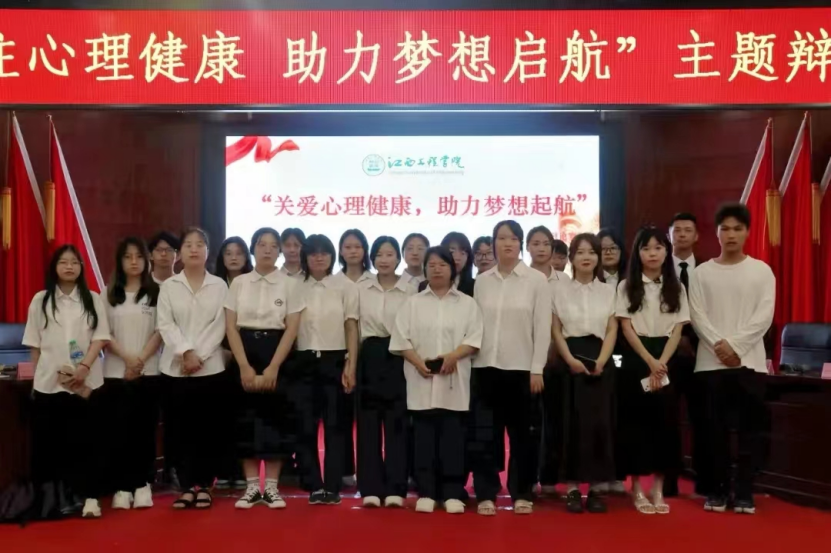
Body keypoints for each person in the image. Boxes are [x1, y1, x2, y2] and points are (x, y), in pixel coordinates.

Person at [689, 203, 774, 515]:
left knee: (751, 432)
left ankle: (745, 492)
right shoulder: (701, 273)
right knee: (714, 433)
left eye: (738, 228)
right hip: (710, 365)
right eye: (725, 228)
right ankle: (718, 490)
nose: (731, 234)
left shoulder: (761, 271)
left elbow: (764, 316)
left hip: (749, 363)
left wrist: (735, 346)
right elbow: (696, 316)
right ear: (716, 233)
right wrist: (719, 346)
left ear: (748, 232)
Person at [390, 246, 483, 514]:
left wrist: (453, 356)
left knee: (453, 439)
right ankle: (427, 492)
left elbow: (474, 338)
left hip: (455, 380)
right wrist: (418, 362)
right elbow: (400, 339)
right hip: (421, 379)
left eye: (442, 264)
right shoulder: (413, 303)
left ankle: (452, 492)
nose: (436, 269)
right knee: (423, 439)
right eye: (431, 265)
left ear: (452, 269)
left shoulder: (467, 303)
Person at [23, 245, 111, 518]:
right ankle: (55, 500)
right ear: (54, 268)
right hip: (50, 383)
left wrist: (84, 367)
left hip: (86, 381)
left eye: (74, 262)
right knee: (50, 444)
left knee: (87, 441)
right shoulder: (41, 300)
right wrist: (37, 377)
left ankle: (90, 497)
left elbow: (100, 337)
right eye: (63, 262)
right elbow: (34, 343)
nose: (70, 266)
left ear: (81, 267)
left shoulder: (92, 298)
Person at [471, 220, 551, 516]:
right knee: (485, 434)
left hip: (522, 370)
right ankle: (486, 492)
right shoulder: (482, 281)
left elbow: (542, 327)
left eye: (513, 238)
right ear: (493, 243)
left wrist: (537, 368)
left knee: (523, 436)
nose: (507, 243)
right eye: (501, 238)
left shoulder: (536, 281)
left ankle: (522, 491)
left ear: (521, 244)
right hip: (485, 367)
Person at [225, 227, 304, 510]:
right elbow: (230, 327)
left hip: (277, 351)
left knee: (276, 420)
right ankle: (250, 488)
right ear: (253, 249)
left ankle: (271, 487)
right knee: (245, 420)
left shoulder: (290, 284)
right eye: (262, 244)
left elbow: (292, 328)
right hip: (244, 351)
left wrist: (273, 367)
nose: (267, 249)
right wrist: (243, 366)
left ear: (279, 251)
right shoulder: (239, 283)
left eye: (273, 245)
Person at [615, 227, 689, 515]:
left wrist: (662, 363)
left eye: (658, 248)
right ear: (638, 253)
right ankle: (636, 488)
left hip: (667, 357)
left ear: (666, 251)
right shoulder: (626, 286)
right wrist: (649, 361)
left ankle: (658, 488)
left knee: (665, 423)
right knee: (636, 423)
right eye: (646, 248)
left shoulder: (676, 286)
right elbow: (626, 327)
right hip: (637, 356)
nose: (653, 254)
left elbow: (678, 328)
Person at [157, 227, 228, 510]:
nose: (194, 249)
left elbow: (220, 324)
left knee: (208, 429)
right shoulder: (169, 286)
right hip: (175, 370)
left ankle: (205, 485)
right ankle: (186, 486)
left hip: (210, 369)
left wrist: (199, 355)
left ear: (208, 251)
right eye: (188, 245)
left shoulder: (219, 286)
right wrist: (185, 352)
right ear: (180, 253)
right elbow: (165, 324)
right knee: (179, 429)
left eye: (200, 244)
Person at [551, 233, 617, 514]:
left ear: (598, 257)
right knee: (571, 423)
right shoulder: (559, 290)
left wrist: (602, 360)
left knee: (600, 424)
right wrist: (569, 359)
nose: (586, 257)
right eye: (580, 252)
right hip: (569, 358)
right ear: (572, 258)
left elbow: (612, 329)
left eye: (591, 252)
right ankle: (573, 488)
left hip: (600, 358)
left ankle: (598, 488)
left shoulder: (609, 291)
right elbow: (556, 329)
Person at [291, 234, 359, 505]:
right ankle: (313, 485)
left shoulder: (345, 286)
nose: (319, 258)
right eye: (313, 253)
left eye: (324, 253)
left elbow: (351, 327)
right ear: (305, 257)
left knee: (335, 425)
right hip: (303, 361)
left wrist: (351, 363)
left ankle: (332, 485)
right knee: (305, 425)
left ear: (333, 256)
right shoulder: (294, 286)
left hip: (335, 360)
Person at [101, 238, 162, 511]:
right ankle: (122, 486)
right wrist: (127, 359)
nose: (134, 262)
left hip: (149, 371)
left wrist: (139, 361)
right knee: (118, 431)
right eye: (128, 256)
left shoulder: (156, 292)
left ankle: (143, 483)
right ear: (120, 261)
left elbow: (160, 330)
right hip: (115, 372)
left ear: (147, 260)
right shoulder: (107, 293)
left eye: (139, 256)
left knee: (144, 430)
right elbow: (103, 333)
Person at [356, 236, 416, 508]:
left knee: (397, 423)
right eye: (379, 254)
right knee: (368, 423)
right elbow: (353, 326)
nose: (384, 259)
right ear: (372, 258)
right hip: (369, 353)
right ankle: (370, 486)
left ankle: (396, 487)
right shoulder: (361, 288)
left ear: (398, 258)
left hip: (399, 355)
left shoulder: (411, 289)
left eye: (389, 254)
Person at [665, 211, 707, 497]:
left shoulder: (707, 270)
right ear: (669, 235)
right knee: (667, 418)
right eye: (676, 230)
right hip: (666, 355)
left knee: (702, 417)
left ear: (696, 236)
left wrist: (695, 339)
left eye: (687, 230)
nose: (681, 234)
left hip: (702, 352)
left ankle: (704, 478)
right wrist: (676, 338)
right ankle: (669, 479)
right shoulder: (657, 267)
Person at [526, 226, 568, 496]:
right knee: (529, 423)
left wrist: (557, 348)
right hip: (526, 358)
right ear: (527, 247)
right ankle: (528, 477)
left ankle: (550, 477)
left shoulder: (564, 281)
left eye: (545, 243)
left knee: (555, 420)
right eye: (535, 243)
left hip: (557, 358)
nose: (541, 248)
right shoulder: (521, 278)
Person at [214, 236, 253, 492]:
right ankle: (223, 469)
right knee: (221, 417)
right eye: (228, 253)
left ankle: (241, 471)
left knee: (243, 416)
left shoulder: (253, 284)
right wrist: (220, 349)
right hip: (216, 356)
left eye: (239, 253)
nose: (234, 257)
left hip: (246, 356)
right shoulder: (214, 284)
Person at [334, 228, 371, 486]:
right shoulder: (333, 281)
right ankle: (345, 469)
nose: (353, 251)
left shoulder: (375, 280)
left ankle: (370, 470)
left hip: (370, 354)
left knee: (368, 416)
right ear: (340, 251)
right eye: (347, 247)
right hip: (340, 353)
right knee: (341, 414)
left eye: (357, 246)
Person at [417, 232, 475, 296]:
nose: (457, 257)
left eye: (463, 253)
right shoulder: (424, 286)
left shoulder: (474, 285)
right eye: (452, 251)